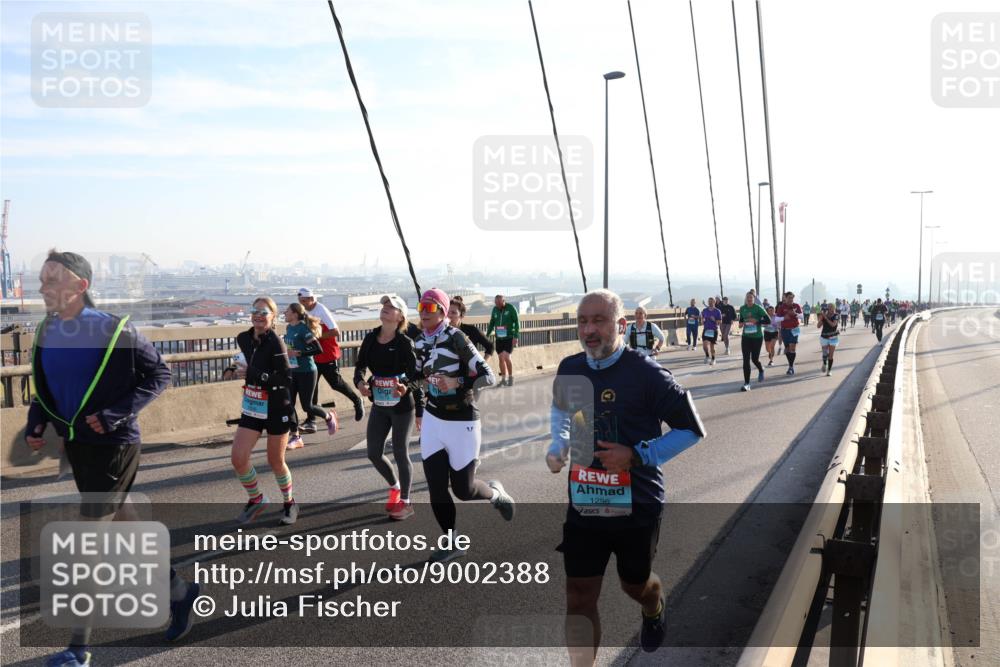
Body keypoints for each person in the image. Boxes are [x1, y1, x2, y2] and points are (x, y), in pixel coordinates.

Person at [26, 250, 199, 665]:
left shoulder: (113, 329)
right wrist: (37, 423)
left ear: (80, 286)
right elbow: (46, 388)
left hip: (115, 448)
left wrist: (114, 413)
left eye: (53, 279)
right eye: (43, 278)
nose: (43, 287)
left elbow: (159, 375)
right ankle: (179, 591)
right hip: (80, 449)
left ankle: (78, 651)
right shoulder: (48, 331)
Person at [546, 289, 706, 661]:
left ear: (620, 325)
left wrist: (636, 455)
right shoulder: (570, 368)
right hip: (586, 500)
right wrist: (559, 444)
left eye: (598, 320)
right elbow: (561, 411)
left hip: (637, 502)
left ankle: (654, 606)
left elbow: (692, 430)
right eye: (583, 321)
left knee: (635, 585)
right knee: (578, 596)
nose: (589, 329)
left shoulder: (646, 373)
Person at [416, 288, 514, 562]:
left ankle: (495, 492)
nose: (424, 312)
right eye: (421, 306)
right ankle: (452, 540)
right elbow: (416, 374)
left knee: (463, 490)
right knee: (436, 485)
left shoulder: (456, 337)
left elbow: (488, 375)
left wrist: (457, 382)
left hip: (462, 421)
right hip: (435, 419)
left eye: (431, 307)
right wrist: (407, 387)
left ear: (444, 312)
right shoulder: (420, 340)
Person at [230, 297, 299, 526]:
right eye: (255, 310)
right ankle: (257, 498)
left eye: (264, 312)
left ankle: (289, 503)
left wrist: (255, 374)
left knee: (275, 461)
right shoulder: (243, 338)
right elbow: (247, 361)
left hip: (277, 405)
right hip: (252, 404)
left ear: (273, 317)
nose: (258, 315)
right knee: (238, 458)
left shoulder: (276, 343)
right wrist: (232, 370)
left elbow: (286, 378)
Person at [354, 295, 423, 521]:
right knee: (373, 453)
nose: (385, 309)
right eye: (383, 306)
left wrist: (406, 387)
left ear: (400, 316)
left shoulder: (404, 343)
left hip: (402, 406)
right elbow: (360, 367)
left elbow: (417, 376)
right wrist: (360, 383)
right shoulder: (371, 338)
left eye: (390, 307)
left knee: (401, 452)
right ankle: (394, 487)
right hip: (380, 404)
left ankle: (406, 502)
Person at [298, 288, 365, 424]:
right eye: (300, 301)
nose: (302, 304)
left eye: (304, 301)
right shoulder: (303, 311)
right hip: (312, 355)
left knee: (336, 383)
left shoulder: (321, 310)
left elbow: (335, 331)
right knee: (312, 387)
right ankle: (311, 419)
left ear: (312, 299)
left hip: (327, 354)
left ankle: (357, 400)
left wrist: (316, 337)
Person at [283, 302, 337, 449]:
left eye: (287, 311)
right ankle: (296, 436)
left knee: (308, 406)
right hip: (292, 371)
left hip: (307, 371)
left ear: (295, 314)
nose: (284, 313)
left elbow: (317, 349)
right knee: (288, 404)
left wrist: (299, 353)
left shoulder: (303, 329)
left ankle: (328, 417)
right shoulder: (289, 328)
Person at [738, 291, 770, 391]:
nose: (749, 299)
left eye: (751, 298)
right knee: (746, 359)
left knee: (754, 359)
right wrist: (741, 323)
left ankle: (761, 369)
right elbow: (741, 319)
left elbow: (768, 320)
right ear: (745, 299)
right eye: (747, 297)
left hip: (757, 337)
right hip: (746, 336)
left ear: (754, 299)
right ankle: (747, 383)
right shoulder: (742, 308)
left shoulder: (758, 308)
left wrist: (757, 321)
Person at [486, 294, 520, 387]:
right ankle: (503, 379)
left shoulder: (511, 308)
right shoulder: (495, 309)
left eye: (499, 303)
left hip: (509, 336)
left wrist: (516, 336)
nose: (497, 305)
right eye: (496, 303)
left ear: (504, 301)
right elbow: (492, 322)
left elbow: (517, 322)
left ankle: (511, 378)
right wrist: (487, 334)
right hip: (499, 337)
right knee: (501, 358)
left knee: (506, 357)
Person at [448, 296, 495, 361]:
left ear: (461, 315)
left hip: (468, 370)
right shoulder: (441, 331)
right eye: (447, 312)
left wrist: (482, 365)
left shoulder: (471, 330)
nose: (449, 315)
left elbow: (490, 346)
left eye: (453, 313)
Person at [775, 292, 803, 375]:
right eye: (789, 298)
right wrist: (784, 318)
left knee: (792, 348)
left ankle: (791, 367)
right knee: (787, 349)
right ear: (785, 298)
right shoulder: (781, 307)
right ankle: (790, 364)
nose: (791, 299)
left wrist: (795, 314)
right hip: (785, 330)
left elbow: (802, 316)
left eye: (792, 298)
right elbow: (776, 319)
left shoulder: (796, 306)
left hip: (794, 329)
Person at [818, 303, 840, 376]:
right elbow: (818, 326)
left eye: (831, 307)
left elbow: (833, 325)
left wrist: (826, 318)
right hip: (824, 336)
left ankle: (829, 370)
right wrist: (821, 319)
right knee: (825, 354)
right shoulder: (825, 316)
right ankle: (824, 364)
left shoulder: (836, 315)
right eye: (829, 308)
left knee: (831, 355)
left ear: (834, 308)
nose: (830, 309)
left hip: (833, 337)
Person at [701, 297, 722, 365]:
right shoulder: (705, 310)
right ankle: (707, 356)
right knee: (704, 345)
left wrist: (715, 320)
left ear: (714, 302)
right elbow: (702, 318)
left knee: (712, 346)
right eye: (709, 301)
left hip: (713, 330)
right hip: (706, 329)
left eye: (712, 301)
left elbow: (720, 322)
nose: (710, 303)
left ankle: (713, 359)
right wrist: (702, 320)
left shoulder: (717, 311)